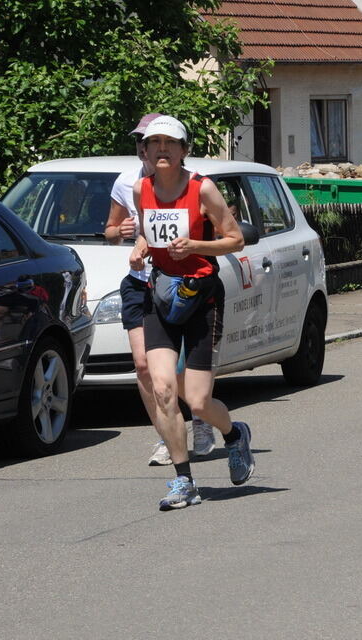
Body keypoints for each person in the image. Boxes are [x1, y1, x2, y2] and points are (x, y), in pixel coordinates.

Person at [128, 115, 253, 510]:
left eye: (170, 143)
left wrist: (196, 245)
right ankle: (184, 482)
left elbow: (235, 240)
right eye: (154, 143)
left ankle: (234, 435)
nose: (162, 149)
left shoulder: (203, 189)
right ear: (145, 151)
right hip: (162, 294)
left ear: (184, 150)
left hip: (202, 297)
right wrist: (140, 246)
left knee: (197, 402)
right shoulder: (140, 189)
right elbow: (146, 231)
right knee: (163, 387)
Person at [105, 114, 216, 465]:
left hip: (188, 285)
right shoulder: (129, 184)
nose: (150, 147)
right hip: (144, 284)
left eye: (158, 141)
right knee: (145, 367)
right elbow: (113, 230)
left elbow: (226, 232)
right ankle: (168, 437)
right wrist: (124, 235)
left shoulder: (196, 185)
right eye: (146, 140)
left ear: (181, 148)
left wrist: (188, 246)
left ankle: (200, 417)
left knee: (181, 375)